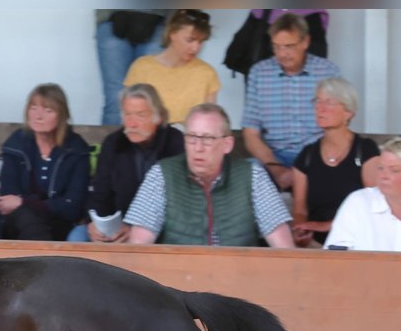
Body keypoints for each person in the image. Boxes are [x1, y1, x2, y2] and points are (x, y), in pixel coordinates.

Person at [125, 103, 293, 247]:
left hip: (237, 278)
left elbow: (283, 248)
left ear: (227, 144)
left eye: (207, 139)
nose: (198, 147)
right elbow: (139, 246)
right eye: (191, 137)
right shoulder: (162, 174)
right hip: (176, 279)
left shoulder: (253, 176)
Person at [241, 12, 340, 190]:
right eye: (276, 47)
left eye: (289, 46)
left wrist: (311, 164)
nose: (282, 53)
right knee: (244, 173)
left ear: (305, 42)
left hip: (316, 155)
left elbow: (338, 126)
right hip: (273, 157)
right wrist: (276, 169)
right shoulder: (259, 72)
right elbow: (250, 134)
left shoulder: (327, 71)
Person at [0, 83, 91, 242]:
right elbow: (7, 201)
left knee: (28, 216)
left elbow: (72, 207)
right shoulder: (16, 145)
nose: (38, 116)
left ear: (61, 116)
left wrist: (24, 202)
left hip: (59, 224)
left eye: (48, 110)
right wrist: (48, 205)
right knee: (24, 216)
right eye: (33, 108)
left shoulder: (76, 150)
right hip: (15, 224)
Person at [88, 83, 185, 244]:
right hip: (117, 232)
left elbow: (179, 202)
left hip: (163, 233)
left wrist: (137, 229)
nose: (132, 124)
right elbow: (100, 193)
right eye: (127, 114)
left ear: (158, 116)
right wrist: (95, 225)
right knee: (76, 239)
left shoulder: (175, 143)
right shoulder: (114, 143)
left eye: (140, 115)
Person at [290, 78, 381, 247]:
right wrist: (301, 230)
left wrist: (328, 226)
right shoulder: (307, 156)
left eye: (329, 102)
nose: (320, 108)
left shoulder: (366, 150)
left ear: (348, 112)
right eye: (317, 101)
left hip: (358, 242)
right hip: (318, 245)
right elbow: (300, 210)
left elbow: (374, 206)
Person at [122, 9, 220, 125]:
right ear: (172, 34)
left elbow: (209, 123)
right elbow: (129, 117)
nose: (196, 48)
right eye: (190, 40)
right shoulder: (141, 68)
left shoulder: (207, 73)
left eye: (200, 41)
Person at [95, 10, 167, 126]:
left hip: (158, 21)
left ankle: (149, 144)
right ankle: (112, 144)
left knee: (149, 98)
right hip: (112, 18)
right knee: (115, 99)